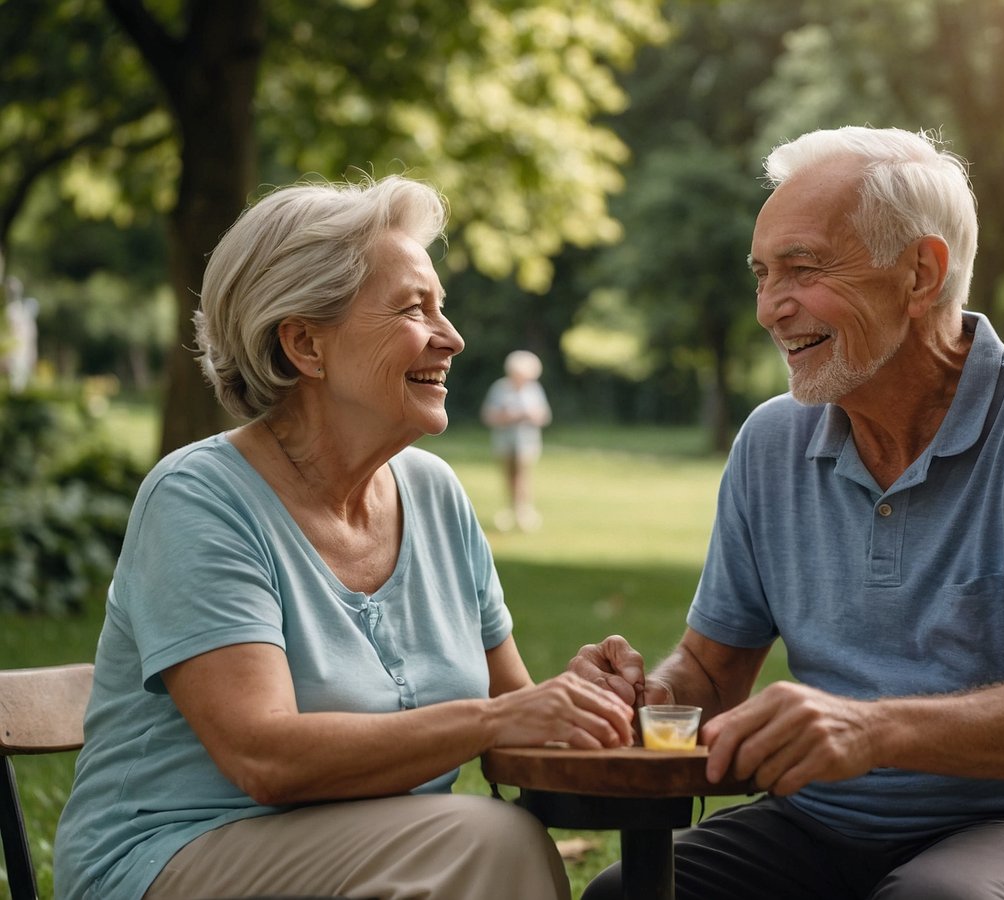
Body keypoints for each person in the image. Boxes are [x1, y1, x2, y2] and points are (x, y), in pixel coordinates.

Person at [571, 126, 1004, 899]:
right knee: (629, 894)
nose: (769, 309)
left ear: (921, 273)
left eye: (803, 269)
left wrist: (869, 729)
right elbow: (714, 668)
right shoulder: (770, 442)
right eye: (762, 274)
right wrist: (643, 701)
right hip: (822, 824)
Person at [53, 175, 634, 900]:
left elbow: (512, 722)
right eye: (413, 309)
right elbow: (264, 758)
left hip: (395, 853)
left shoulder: (436, 495)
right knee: (491, 840)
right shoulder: (199, 499)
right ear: (304, 344)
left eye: (441, 308)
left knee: (487, 839)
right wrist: (496, 717)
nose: (451, 338)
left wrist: (580, 702)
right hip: (173, 856)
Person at [481, 349, 552, 532]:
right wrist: (508, 417)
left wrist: (529, 415)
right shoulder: (500, 388)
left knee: (523, 477)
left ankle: (524, 512)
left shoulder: (534, 389)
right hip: (504, 440)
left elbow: (544, 416)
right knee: (508, 476)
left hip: (527, 441)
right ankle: (510, 510)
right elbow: (488, 415)